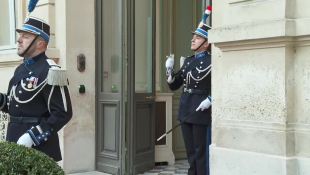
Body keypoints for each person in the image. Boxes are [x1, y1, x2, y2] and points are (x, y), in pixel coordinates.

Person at [0, 16, 72, 162]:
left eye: (25, 36)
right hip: (14, 141)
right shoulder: (20, 69)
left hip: (38, 146)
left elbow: (63, 113)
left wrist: (32, 136)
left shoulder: (51, 71)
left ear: (40, 43)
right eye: (20, 36)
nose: (19, 40)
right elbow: (14, 105)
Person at [165, 7, 212, 175]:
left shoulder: (212, 61)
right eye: (193, 36)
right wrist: (169, 70)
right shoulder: (187, 61)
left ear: (206, 43)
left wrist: (211, 99)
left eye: (198, 37)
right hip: (186, 109)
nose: (193, 40)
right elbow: (174, 85)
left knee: (201, 152)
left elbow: (219, 86)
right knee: (190, 152)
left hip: (201, 110)